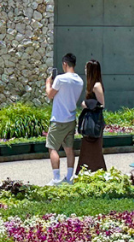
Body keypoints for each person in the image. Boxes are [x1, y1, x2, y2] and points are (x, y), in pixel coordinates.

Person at [45, 53, 84, 184]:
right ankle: (69, 177)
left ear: (65, 64)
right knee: (69, 148)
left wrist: (47, 83)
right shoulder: (79, 81)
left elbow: (50, 95)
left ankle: (56, 178)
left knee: (52, 147)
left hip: (58, 119)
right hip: (71, 119)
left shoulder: (60, 79)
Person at [75, 59, 106, 174]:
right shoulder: (92, 85)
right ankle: (87, 172)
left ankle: (96, 172)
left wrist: (86, 104)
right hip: (91, 122)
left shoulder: (96, 86)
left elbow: (102, 104)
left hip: (94, 122)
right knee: (88, 150)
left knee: (93, 150)